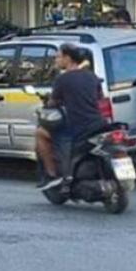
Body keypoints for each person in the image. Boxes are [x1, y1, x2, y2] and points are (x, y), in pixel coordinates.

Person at [35, 44, 108, 191]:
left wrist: (49, 103)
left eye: (58, 57)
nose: (56, 60)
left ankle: (52, 175)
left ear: (67, 58)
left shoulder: (62, 79)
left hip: (77, 127)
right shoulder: (92, 76)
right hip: (98, 124)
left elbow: (52, 103)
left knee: (40, 133)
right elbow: (100, 98)